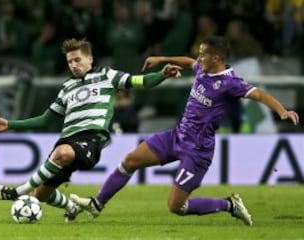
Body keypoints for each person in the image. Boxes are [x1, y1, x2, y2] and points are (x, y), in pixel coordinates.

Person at [69, 36, 300, 226]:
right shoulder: (203, 68)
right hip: (176, 136)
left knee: (175, 207)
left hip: (197, 151)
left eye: (203, 54)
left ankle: (229, 205)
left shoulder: (230, 84)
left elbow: (259, 94)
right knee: (130, 160)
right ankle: (97, 204)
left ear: (217, 58)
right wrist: (162, 59)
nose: (199, 58)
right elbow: (189, 62)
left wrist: (281, 111)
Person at [0, 38, 181, 222]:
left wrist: (162, 74)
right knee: (40, 194)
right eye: (70, 61)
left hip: (91, 138)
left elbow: (140, 81)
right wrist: (10, 124)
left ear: (90, 59)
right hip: (66, 140)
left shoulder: (106, 75)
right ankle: (71, 207)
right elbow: (46, 119)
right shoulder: (67, 87)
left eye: (78, 59)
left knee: (62, 154)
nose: (73, 64)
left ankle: (16, 192)